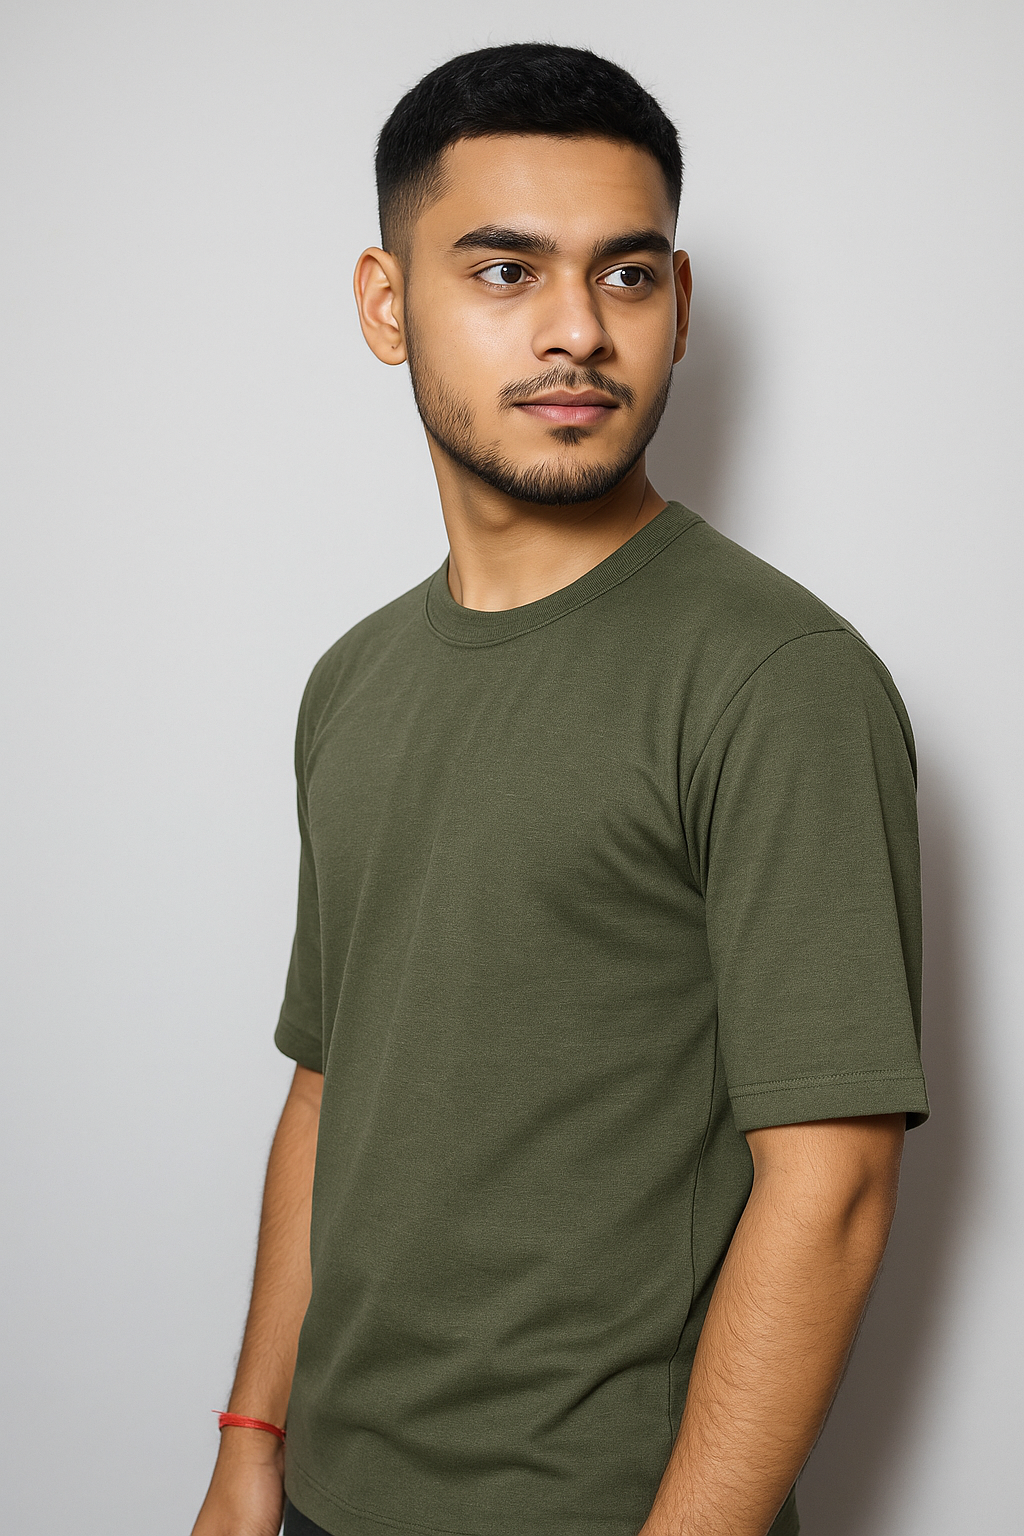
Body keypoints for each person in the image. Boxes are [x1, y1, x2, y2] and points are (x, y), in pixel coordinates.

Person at [191, 42, 929, 1536]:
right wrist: (252, 1444)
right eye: (507, 272)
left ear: (680, 305)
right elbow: (331, 1089)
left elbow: (833, 1191)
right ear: (387, 306)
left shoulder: (774, 677)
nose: (580, 333)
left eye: (628, 276)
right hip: (331, 1496)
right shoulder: (355, 680)